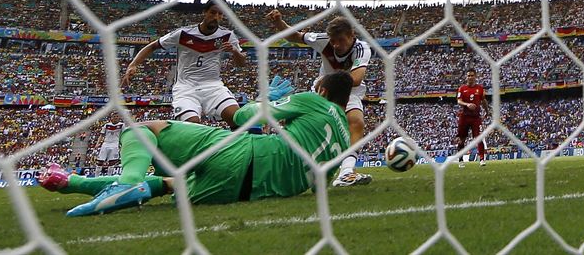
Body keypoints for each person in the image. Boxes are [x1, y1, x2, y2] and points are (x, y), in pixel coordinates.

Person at [38, 72, 353, 216]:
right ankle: (71, 182)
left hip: (243, 153)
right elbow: (317, 186)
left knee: (140, 130)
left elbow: (244, 117)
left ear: (322, 91)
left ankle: (127, 182)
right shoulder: (343, 140)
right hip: (236, 193)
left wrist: (264, 100)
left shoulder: (313, 100)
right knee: (170, 183)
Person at [266, 11, 372, 187]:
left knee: (356, 122)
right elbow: (295, 36)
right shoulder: (323, 40)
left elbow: (356, 78)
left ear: (352, 35)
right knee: (298, 123)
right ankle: (282, 162)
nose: (336, 45)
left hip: (347, 91)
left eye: (341, 40)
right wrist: (279, 22)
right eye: (333, 41)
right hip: (324, 90)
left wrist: (329, 80)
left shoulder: (362, 48)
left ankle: (346, 172)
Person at [122, 0, 247, 127]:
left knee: (237, 119)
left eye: (220, 14)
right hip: (186, 88)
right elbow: (152, 46)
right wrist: (133, 65)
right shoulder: (183, 33)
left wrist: (234, 51)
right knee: (192, 126)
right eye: (213, 12)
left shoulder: (228, 35)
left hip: (213, 86)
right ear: (204, 12)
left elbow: (241, 63)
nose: (216, 17)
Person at [456, 68, 489, 167]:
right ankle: (461, 160)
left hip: (476, 117)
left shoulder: (480, 89)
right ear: (466, 77)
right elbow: (459, 101)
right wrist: (467, 105)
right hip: (464, 117)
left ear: (475, 76)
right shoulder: (462, 88)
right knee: (462, 139)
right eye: (468, 75)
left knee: (479, 138)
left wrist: (487, 111)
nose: (470, 77)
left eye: (472, 75)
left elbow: (483, 101)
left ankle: (482, 159)